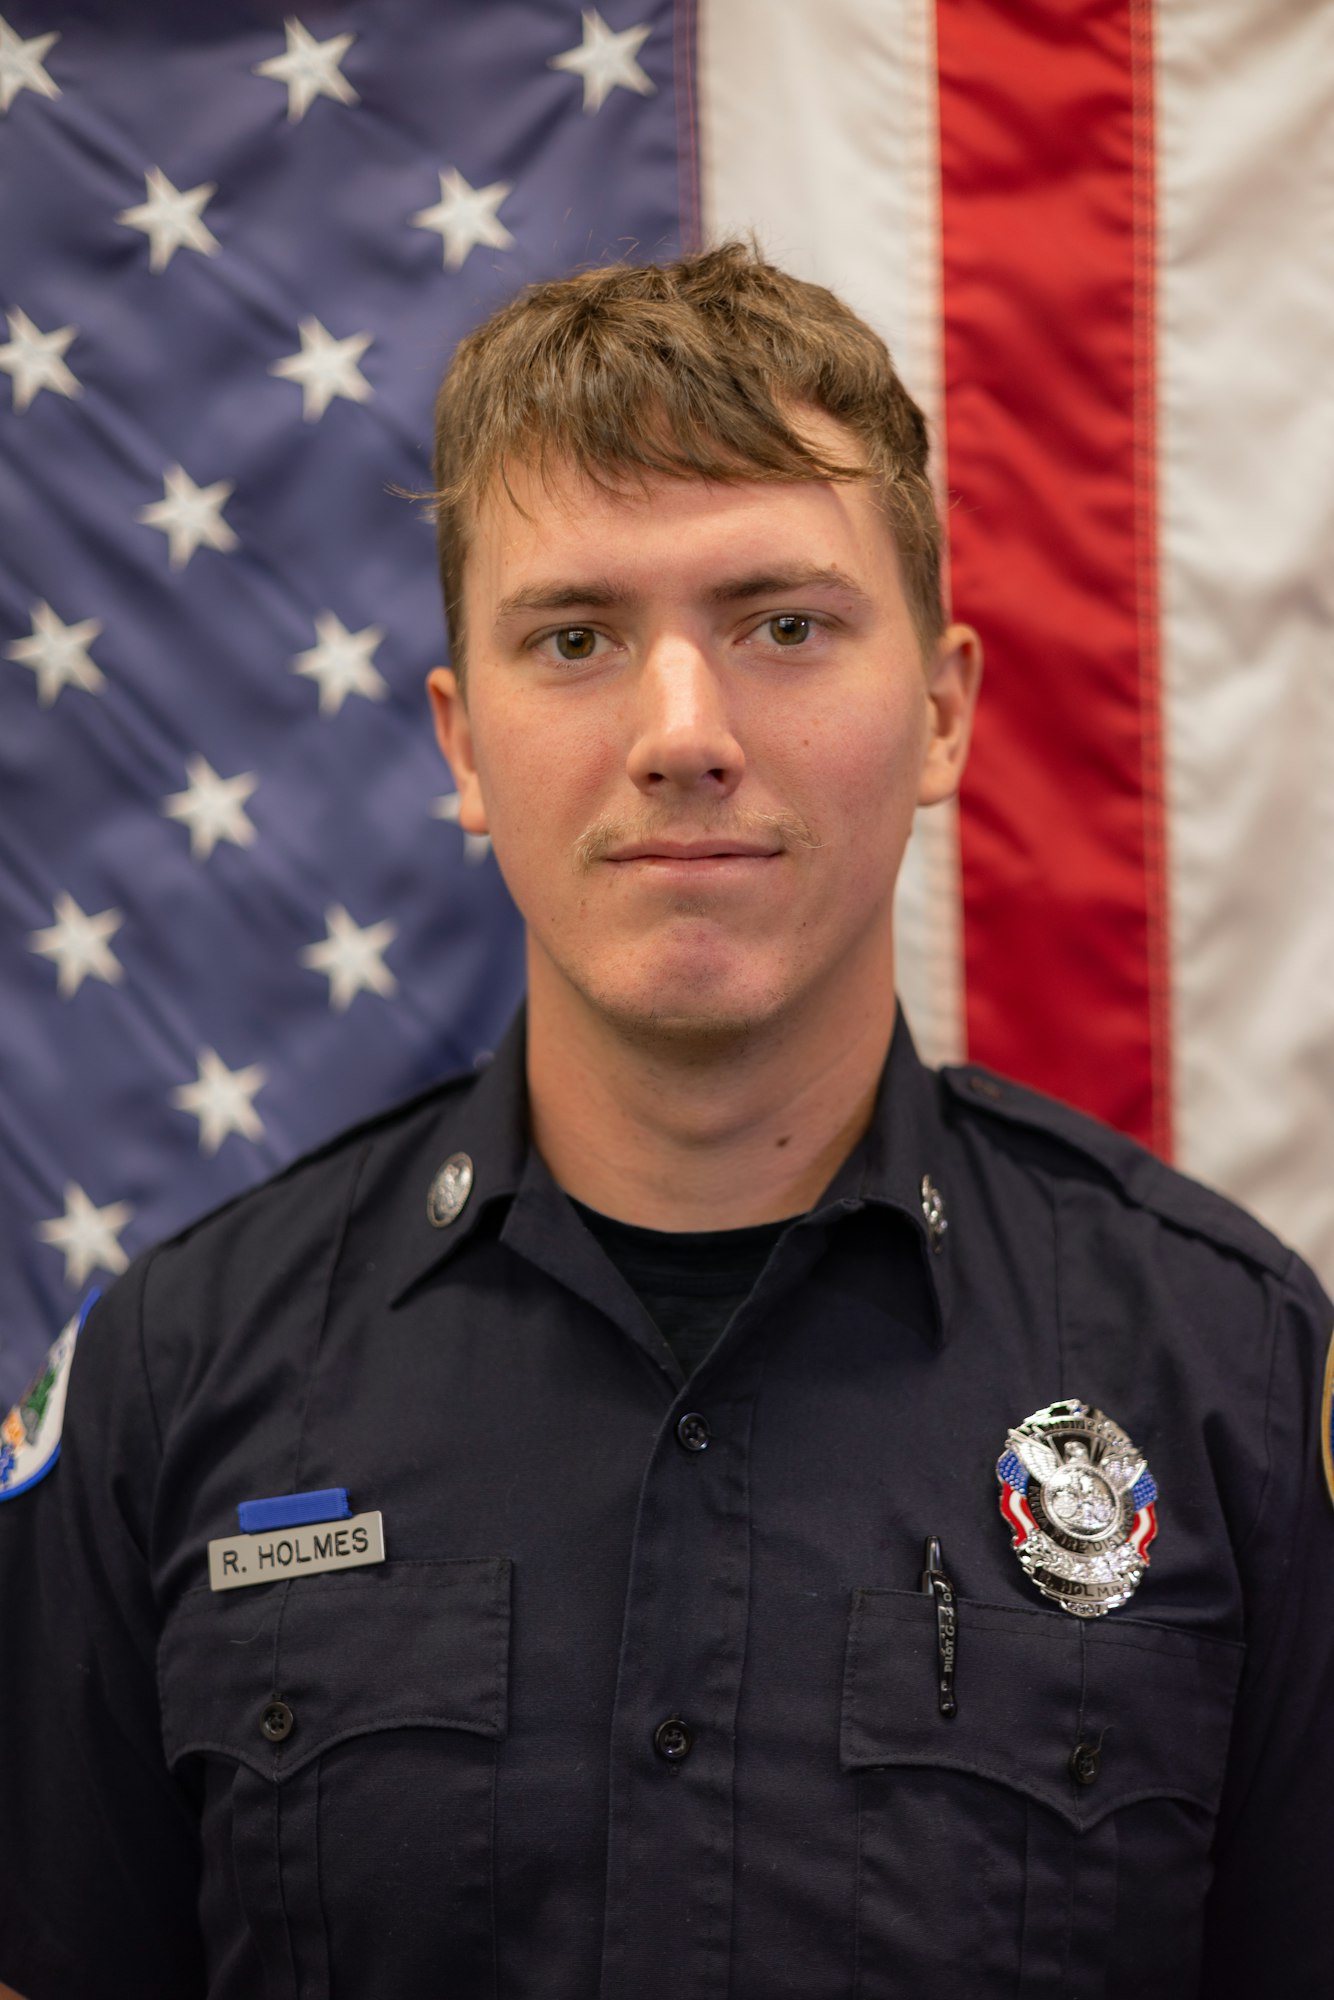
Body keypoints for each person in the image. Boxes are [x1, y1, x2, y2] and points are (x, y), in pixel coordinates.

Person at [0, 243, 1330, 2000]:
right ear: (464, 748)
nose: (680, 733)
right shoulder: (176, 1377)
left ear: (940, 710)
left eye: (782, 624)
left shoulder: (1226, 1371)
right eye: (577, 637)